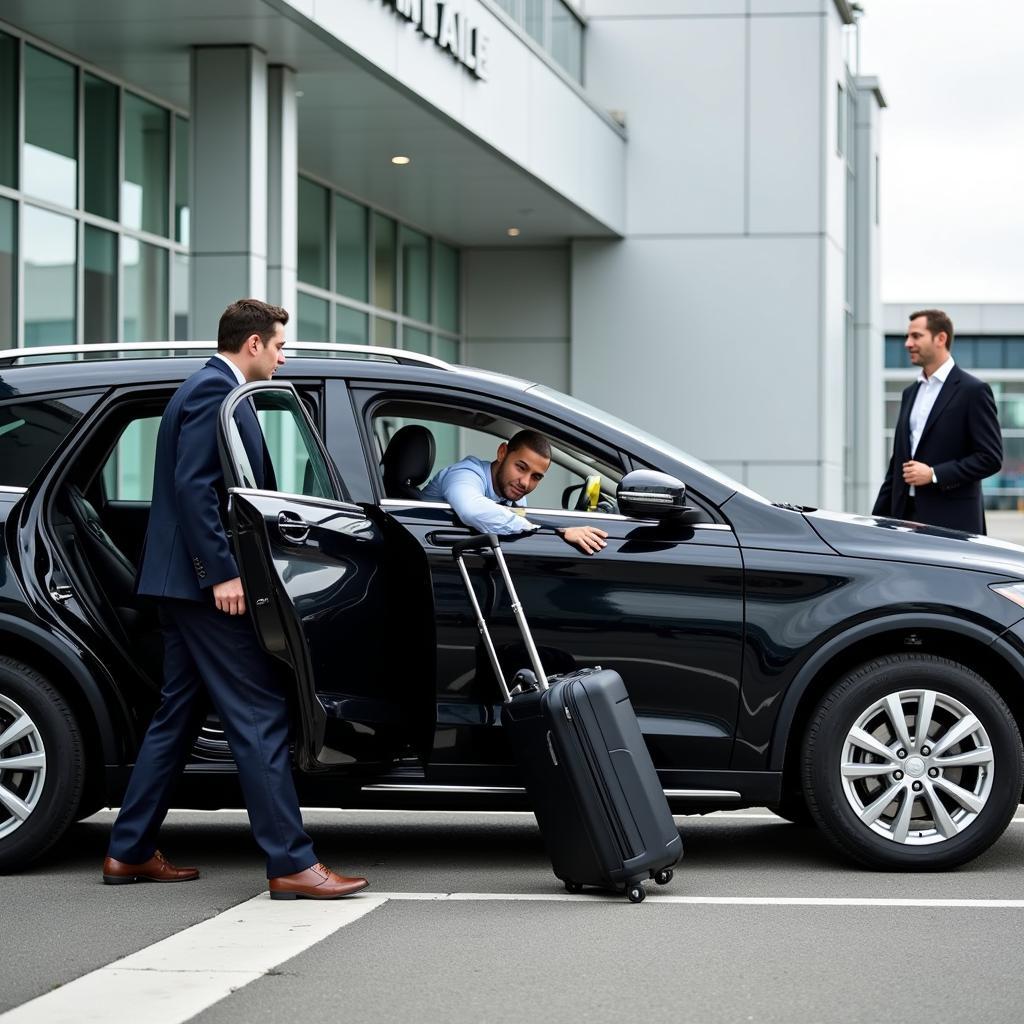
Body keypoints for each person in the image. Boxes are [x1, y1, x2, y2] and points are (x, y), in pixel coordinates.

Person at [103, 299, 368, 900]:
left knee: (177, 717)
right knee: (258, 712)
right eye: (279, 345)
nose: (283, 356)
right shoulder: (210, 392)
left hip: (182, 589)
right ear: (252, 344)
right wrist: (219, 573)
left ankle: (129, 850)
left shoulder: (221, 391)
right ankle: (292, 864)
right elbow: (194, 486)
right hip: (202, 590)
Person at [873, 308, 1002, 534]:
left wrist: (934, 474)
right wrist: (875, 523)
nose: (907, 343)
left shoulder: (973, 391)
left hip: (952, 523)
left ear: (940, 338)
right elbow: (898, 464)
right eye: (908, 336)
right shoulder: (910, 393)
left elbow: (990, 458)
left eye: (916, 336)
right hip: (903, 518)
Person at [421, 429, 608, 554]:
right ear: (502, 453)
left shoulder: (514, 497)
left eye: (536, 477)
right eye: (521, 467)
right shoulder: (465, 473)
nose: (525, 483)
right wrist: (556, 528)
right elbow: (473, 510)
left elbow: (514, 523)